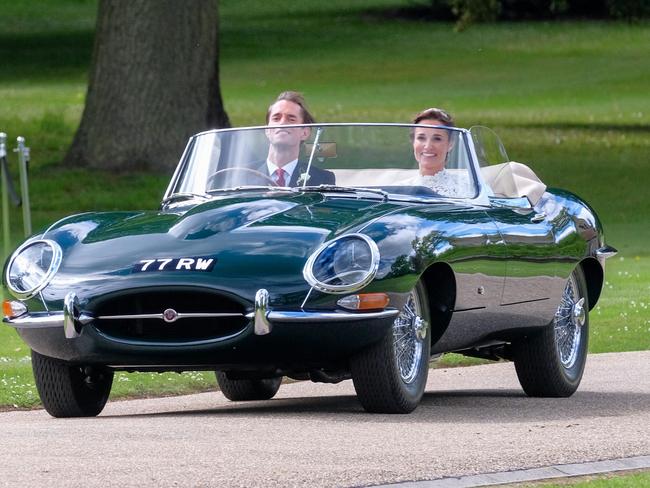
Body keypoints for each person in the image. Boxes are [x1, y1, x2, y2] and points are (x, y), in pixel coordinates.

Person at [258, 91, 335, 186]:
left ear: (305, 132)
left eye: (291, 119)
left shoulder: (322, 179)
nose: (282, 123)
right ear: (267, 130)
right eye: (276, 118)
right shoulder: (240, 174)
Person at [402, 107, 470, 197]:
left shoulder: (469, 188)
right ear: (413, 141)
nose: (428, 146)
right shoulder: (399, 190)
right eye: (421, 138)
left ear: (450, 143)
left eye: (437, 139)